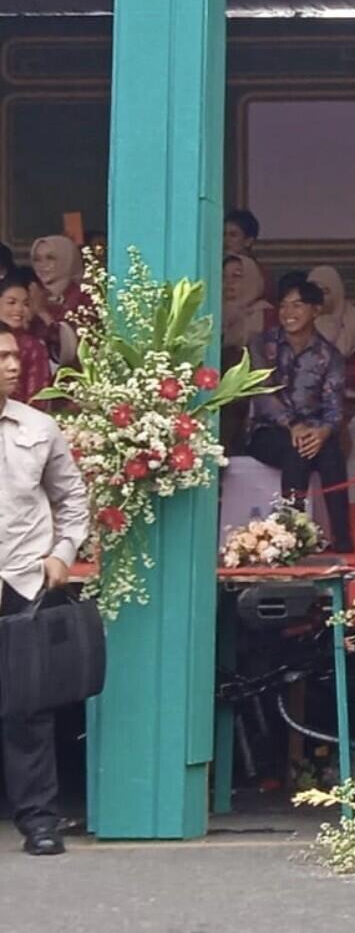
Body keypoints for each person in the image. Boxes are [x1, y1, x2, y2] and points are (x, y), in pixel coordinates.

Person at [0, 321, 87, 856]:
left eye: (14, 355)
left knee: (29, 709)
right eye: (2, 356)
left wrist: (62, 553)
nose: (13, 364)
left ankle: (39, 821)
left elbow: (72, 500)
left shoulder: (39, 426)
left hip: (24, 581)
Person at [248, 280, 353, 551]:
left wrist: (323, 432)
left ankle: (343, 542)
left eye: (297, 305)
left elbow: (334, 406)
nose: (288, 312)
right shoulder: (262, 345)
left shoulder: (329, 355)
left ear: (315, 310)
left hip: (313, 432)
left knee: (331, 454)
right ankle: (290, 537)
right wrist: (292, 425)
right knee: (296, 451)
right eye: (283, 305)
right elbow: (262, 396)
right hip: (267, 432)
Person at [308, 266, 355, 419]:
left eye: (325, 292)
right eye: (314, 292)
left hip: (347, 396)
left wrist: (332, 377)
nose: (319, 297)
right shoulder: (299, 320)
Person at [0, 274, 52, 410]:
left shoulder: (33, 347)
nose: (19, 309)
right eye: (11, 302)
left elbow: (37, 397)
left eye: (26, 304)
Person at [29, 236, 85, 344]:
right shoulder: (34, 293)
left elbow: (73, 345)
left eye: (50, 258)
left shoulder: (83, 298)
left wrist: (42, 312)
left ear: (67, 259)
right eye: (37, 259)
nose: (42, 265)